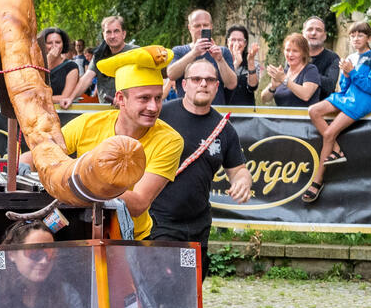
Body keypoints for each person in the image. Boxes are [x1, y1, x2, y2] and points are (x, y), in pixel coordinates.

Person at [22, 46, 183, 240]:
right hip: (78, 231)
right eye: (144, 98)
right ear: (120, 99)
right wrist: (24, 166)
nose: (153, 107)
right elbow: (36, 155)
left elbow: (139, 203)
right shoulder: (88, 123)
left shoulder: (170, 140)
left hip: (129, 238)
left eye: (158, 98)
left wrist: (79, 186)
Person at [149, 59, 252, 278]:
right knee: (161, 285)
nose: (203, 84)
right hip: (158, 221)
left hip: (197, 227)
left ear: (217, 86)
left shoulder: (223, 128)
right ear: (184, 85)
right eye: (196, 79)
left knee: (188, 289)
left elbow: (239, 170)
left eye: (209, 80)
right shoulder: (160, 117)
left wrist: (243, 181)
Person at [303, 22, 371, 203]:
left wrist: (352, 72)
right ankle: (337, 150)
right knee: (313, 110)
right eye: (353, 35)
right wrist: (346, 75)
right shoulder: (350, 57)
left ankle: (317, 181)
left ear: (369, 38)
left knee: (330, 133)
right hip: (346, 96)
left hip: (362, 101)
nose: (356, 38)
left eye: (360, 35)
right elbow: (345, 87)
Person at [60, 16, 136, 107]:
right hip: (105, 109)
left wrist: (125, 98)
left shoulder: (135, 52)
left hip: (130, 109)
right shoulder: (99, 54)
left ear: (123, 34)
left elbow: (144, 84)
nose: (112, 36)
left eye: (116, 31)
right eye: (108, 32)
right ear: (104, 35)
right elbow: (87, 78)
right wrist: (70, 98)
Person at [166, 9, 237, 105]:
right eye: (197, 26)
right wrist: (194, 53)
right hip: (186, 111)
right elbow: (171, 74)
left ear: (211, 27)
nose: (201, 29)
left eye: (205, 25)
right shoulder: (179, 51)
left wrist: (219, 60)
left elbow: (231, 84)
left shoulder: (223, 52)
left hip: (215, 110)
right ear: (189, 28)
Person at [261, 33, 321, 107]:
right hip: (281, 117)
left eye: (295, 51)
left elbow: (306, 95)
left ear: (304, 53)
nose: (290, 54)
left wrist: (284, 79)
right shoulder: (283, 72)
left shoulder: (310, 70)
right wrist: (273, 87)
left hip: (303, 117)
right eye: (287, 50)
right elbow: (264, 99)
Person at [303, 16, 340, 100]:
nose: (313, 33)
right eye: (310, 29)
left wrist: (304, 71)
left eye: (318, 30)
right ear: (303, 33)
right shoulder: (294, 55)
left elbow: (330, 85)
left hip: (321, 107)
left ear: (325, 36)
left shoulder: (332, 58)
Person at [39, 27, 80, 100]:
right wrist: (47, 61)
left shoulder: (71, 66)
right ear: (43, 45)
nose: (54, 46)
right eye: (49, 43)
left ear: (63, 44)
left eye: (58, 42)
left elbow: (65, 97)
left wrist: (40, 99)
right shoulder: (35, 65)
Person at [225, 25, 260, 106]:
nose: (236, 43)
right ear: (227, 42)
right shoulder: (220, 61)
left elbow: (252, 87)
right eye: (233, 40)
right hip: (224, 111)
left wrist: (250, 61)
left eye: (240, 40)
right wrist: (236, 63)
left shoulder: (253, 62)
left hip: (246, 113)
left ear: (245, 43)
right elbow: (222, 85)